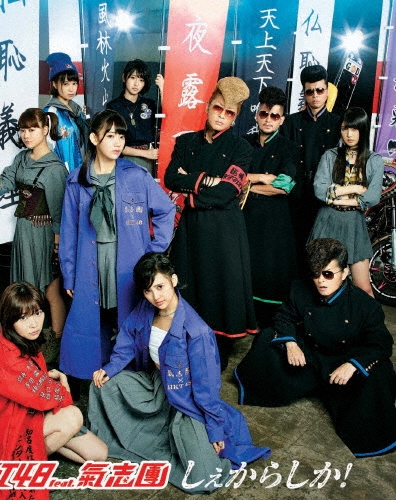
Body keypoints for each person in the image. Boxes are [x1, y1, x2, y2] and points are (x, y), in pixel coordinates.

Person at [90, 252, 271, 494]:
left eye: (160, 286)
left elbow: (206, 388)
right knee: (102, 384)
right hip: (155, 387)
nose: (156, 296)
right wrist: (110, 368)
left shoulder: (196, 332)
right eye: (148, 291)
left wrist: (214, 429)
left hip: (186, 401)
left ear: (173, 280)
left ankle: (184, 441)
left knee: (203, 476)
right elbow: (128, 339)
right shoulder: (146, 309)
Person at [0, 281, 108, 500]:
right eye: (23, 318)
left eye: (38, 313)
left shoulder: (18, 339)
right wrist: (63, 383)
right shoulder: (8, 356)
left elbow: (36, 387)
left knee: (98, 454)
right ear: (9, 320)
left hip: (31, 415)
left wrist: (48, 382)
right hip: (7, 428)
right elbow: (53, 398)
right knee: (73, 416)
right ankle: (28, 466)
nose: (34, 324)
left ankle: (39, 450)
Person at [235, 238, 396, 458]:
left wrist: (352, 365)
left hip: (344, 361)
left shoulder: (364, 305)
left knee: (379, 371)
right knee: (267, 337)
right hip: (312, 356)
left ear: (344, 273)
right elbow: (283, 317)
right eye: (315, 273)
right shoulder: (300, 289)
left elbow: (381, 343)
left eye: (328, 274)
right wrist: (291, 343)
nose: (320, 281)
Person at [59, 109, 175, 383]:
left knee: (128, 315)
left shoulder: (136, 176)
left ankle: (128, 376)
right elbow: (68, 231)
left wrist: (153, 252)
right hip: (90, 261)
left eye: (121, 136)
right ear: (94, 138)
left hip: (128, 262)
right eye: (110, 136)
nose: (117, 142)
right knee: (92, 317)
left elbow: (166, 210)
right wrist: (69, 273)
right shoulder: (76, 181)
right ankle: (90, 374)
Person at [164, 76, 256, 370]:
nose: (221, 116)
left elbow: (228, 192)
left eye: (229, 113)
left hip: (225, 231)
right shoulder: (185, 142)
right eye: (218, 108)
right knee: (190, 284)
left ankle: (220, 349)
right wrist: (207, 180)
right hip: (191, 229)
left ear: (235, 117)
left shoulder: (242, 148)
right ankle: (189, 341)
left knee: (220, 286)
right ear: (207, 106)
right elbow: (170, 178)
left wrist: (191, 188)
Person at [0, 108, 67, 364]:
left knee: (50, 291)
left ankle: (56, 341)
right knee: (25, 288)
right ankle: (28, 341)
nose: (26, 135)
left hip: (45, 235)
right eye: (23, 130)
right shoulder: (21, 159)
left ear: (45, 130)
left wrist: (56, 249)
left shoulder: (55, 168)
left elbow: (59, 214)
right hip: (23, 232)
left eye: (32, 129)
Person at [309, 107, 383, 297]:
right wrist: (356, 189)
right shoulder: (330, 156)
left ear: (363, 130)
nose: (349, 134)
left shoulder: (374, 160)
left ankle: (369, 319)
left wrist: (336, 195)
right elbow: (319, 190)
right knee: (325, 284)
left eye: (354, 129)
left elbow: (372, 197)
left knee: (364, 288)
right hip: (328, 221)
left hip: (354, 224)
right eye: (344, 128)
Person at [243, 86, 299, 328]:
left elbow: (284, 186)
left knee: (270, 271)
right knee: (246, 267)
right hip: (245, 218)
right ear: (257, 115)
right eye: (264, 114)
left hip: (274, 222)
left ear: (282, 119)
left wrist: (249, 184)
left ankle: (269, 325)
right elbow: (232, 177)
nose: (268, 120)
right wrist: (264, 178)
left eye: (274, 116)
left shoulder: (289, 147)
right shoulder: (243, 143)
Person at [282, 65, 340, 276]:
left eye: (320, 90)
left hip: (324, 197)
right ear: (304, 93)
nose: (315, 96)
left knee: (322, 249)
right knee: (295, 247)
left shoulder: (337, 123)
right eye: (310, 91)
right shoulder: (291, 122)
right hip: (296, 195)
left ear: (327, 91)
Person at [106, 59, 163, 175]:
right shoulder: (113, 106)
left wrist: (162, 88)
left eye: (141, 80)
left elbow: (168, 117)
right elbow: (113, 142)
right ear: (124, 78)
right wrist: (145, 153)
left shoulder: (150, 104)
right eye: (133, 78)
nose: (136, 84)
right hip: (125, 158)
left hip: (149, 158)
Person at [44, 52, 88, 173]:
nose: (71, 88)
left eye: (74, 83)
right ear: (54, 84)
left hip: (80, 171)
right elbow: (47, 148)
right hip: (62, 173)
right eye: (66, 84)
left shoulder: (77, 111)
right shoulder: (50, 113)